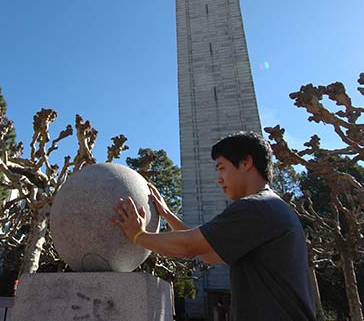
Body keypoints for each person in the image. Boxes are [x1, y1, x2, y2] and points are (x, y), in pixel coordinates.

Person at [111, 132, 316, 321]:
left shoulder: (256, 207)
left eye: (221, 168)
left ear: (246, 163)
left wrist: (138, 235)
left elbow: (188, 246)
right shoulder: (271, 207)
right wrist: (167, 214)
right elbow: (207, 252)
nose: (219, 179)